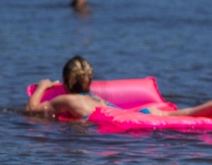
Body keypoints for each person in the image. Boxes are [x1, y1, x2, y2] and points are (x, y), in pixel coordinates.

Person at [26, 56, 212, 119]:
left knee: (190, 113)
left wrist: (42, 86)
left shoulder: (65, 100)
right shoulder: (93, 97)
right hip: (142, 113)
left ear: (65, 80)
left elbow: (32, 110)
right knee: (190, 112)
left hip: (130, 119)